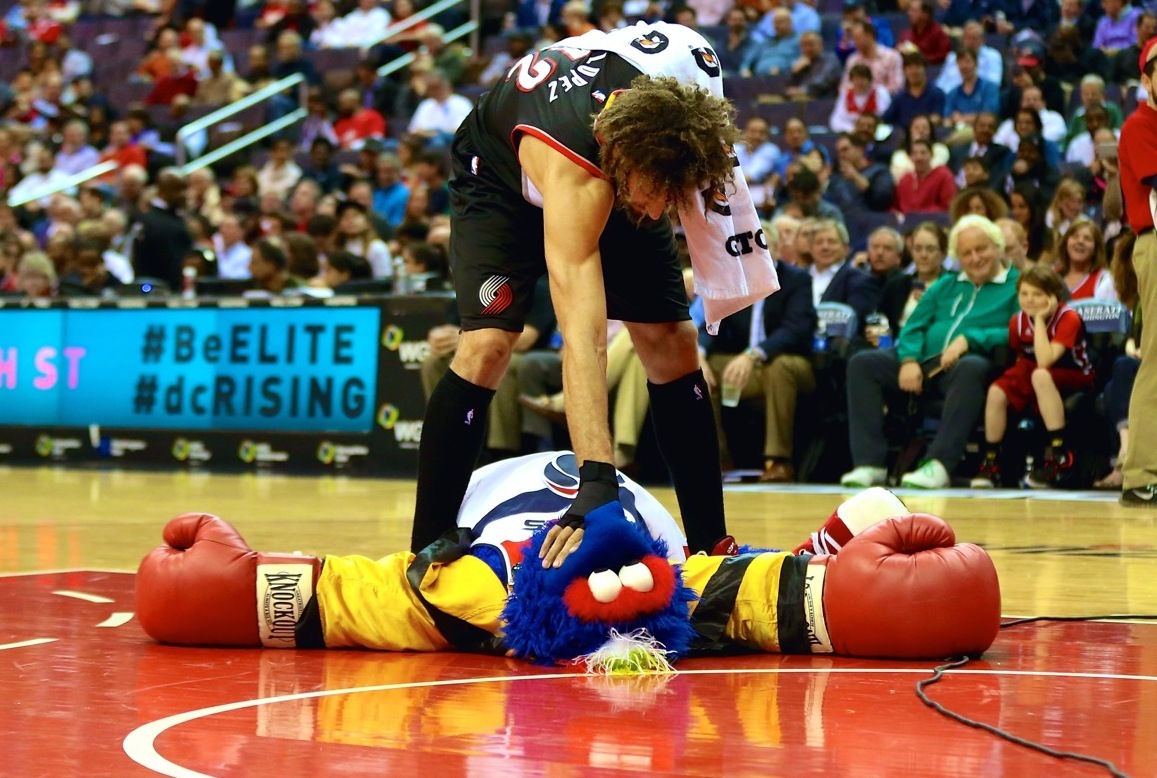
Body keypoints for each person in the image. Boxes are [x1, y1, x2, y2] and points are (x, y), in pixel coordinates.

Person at [411, 22, 777, 562]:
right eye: (656, 199)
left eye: (669, 204)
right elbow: (583, 335)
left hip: (617, 142)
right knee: (487, 344)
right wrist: (597, 480)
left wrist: (671, 193)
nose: (657, 215)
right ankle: (429, 536)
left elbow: (695, 179)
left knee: (673, 342)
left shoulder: (677, 119)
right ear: (623, 160)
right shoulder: (578, 170)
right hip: (500, 172)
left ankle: (710, 543)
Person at [136, 472, 1002, 664]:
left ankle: (824, 550)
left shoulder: (472, 589)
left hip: (642, 537)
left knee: (866, 518)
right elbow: (338, 596)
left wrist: (217, 588)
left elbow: (331, 595)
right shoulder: (476, 584)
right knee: (870, 516)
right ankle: (825, 550)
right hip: (631, 542)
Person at [840, 214, 1019, 489]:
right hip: (924, 362)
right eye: (966, 253)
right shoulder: (947, 284)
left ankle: (939, 464)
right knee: (864, 363)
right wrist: (909, 360)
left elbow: (1019, 329)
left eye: (981, 249)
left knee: (971, 367)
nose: (975, 258)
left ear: (998, 247)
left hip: (968, 367)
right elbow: (914, 325)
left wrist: (971, 338)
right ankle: (870, 464)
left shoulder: (1015, 286)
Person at [971, 265, 1095, 489]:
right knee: (997, 390)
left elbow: (1046, 360)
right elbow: (1021, 359)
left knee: (1040, 374)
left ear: (1052, 296)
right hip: (1036, 373)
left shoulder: (1069, 318)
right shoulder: (1016, 322)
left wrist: (1039, 321)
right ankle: (991, 462)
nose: (1029, 300)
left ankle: (1061, 454)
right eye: (1024, 294)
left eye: (1037, 294)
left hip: (1076, 375)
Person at [700, 259, 816, 483]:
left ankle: (778, 462)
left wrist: (753, 354)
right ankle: (717, 460)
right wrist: (700, 353)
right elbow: (714, 320)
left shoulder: (796, 279)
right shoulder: (735, 277)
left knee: (779, 367)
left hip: (792, 363)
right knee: (701, 370)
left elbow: (795, 330)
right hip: (748, 367)